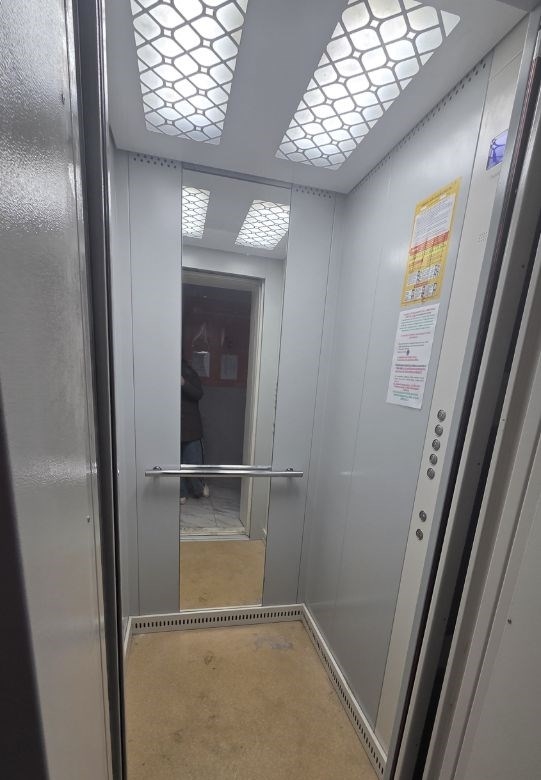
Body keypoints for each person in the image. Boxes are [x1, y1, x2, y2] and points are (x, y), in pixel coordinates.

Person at [180, 356, 209, 504]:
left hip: (191, 428)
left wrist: (183, 383)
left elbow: (198, 394)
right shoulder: (162, 374)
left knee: (194, 461)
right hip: (172, 427)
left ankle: (199, 487)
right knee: (176, 463)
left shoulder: (189, 373)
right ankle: (182, 492)